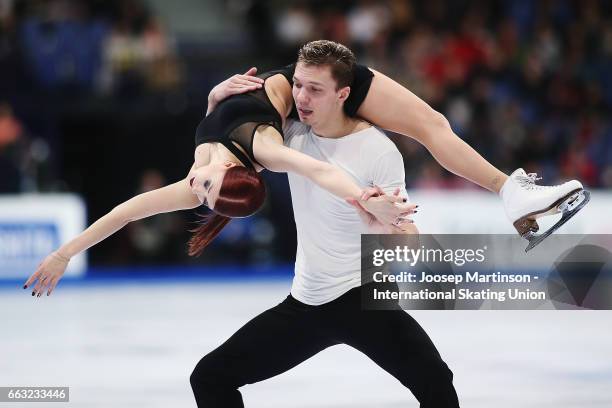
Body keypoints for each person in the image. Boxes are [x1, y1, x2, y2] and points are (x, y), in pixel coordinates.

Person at [189, 40, 459, 408]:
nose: (300, 97)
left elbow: (405, 235)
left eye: (314, 89)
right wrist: (213, 100)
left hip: (365, 298)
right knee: (209, 377)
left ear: (343, 93)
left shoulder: (378, 151)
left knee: (436, 382)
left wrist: (390, 233)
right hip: (307, 303)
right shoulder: (287, 134)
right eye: (297, 85)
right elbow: (219, 151)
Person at [212, 40, 590, 252]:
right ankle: (511, 193)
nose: (301, 97)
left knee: (434, 125)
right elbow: (299, 167)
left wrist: (214, 102)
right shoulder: (249, 132)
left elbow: (223, 141)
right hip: (311, 86)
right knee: (432, 127)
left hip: (324, 76)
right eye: (299, 88)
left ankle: (511, 192)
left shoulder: (238, 123)